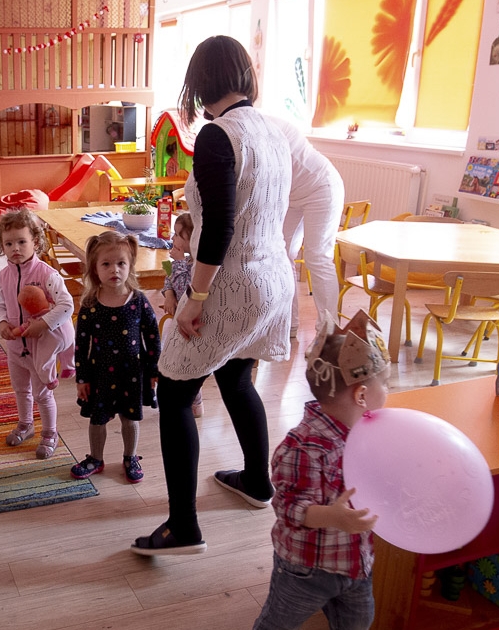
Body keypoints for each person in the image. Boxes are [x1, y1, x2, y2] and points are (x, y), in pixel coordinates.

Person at [133, 35, 294, 556]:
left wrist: (195, 296)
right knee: (233, 374)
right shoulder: (273, 130)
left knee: (175, 391)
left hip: (232, 282)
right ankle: (256, 482)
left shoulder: (216, 136)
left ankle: (183, 528)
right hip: (273, 278)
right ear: (244, 76)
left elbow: (219, 226)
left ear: (200, 84)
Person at [253, 310, 385, 630]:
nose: (388, 391)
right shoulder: (304, 447)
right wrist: (332, 517)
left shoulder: (367, 435)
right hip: (307, 570)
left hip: (355, 564)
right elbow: (287, 507)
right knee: (277, 624)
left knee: (359, 623)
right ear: (362, 395)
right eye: (387, 383)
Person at [71, 231, 160, 484]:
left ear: (130, 265)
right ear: (94, 268)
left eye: (121, 263)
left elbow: (152, 337)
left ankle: (130, 457)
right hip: (99, 375)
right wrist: (82, 379)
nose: (115, 270)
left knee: (130, 418)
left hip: (132, 373)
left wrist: (154, 370)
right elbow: (81, 345)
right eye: (106, 264)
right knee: (97, 419)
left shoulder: (139, 301)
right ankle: (95, 458)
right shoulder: (90, 304)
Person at [0, 209, 75, 459]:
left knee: (42, 393)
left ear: (35, 242)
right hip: (16, 348)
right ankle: (25, 424)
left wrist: (44, 324)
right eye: (9, 243)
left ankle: (50, 433)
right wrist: (2, 324)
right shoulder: (3, 276)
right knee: (20, 389)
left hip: (40, 349)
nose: (15, 248)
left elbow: (67, 305)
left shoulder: (47, 274)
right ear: (2, 246)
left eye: (21, 241)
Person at [268, 116, 346, 337]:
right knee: (282, 255)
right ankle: (289, 324)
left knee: (318, 258)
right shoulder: (243, 127)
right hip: (292, 195)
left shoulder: (265, 125)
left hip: (322, 187)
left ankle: (329, 334)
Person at [161, 213, 205, 418]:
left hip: (193, 324)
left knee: (188, 363)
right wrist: (168, 293)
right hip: (177, 319)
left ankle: (195, 401)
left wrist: (177, 263)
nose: (174, 239)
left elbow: (184, 288)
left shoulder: (197, 265)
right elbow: (169, 279)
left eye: (179, 235)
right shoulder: (184, 261)